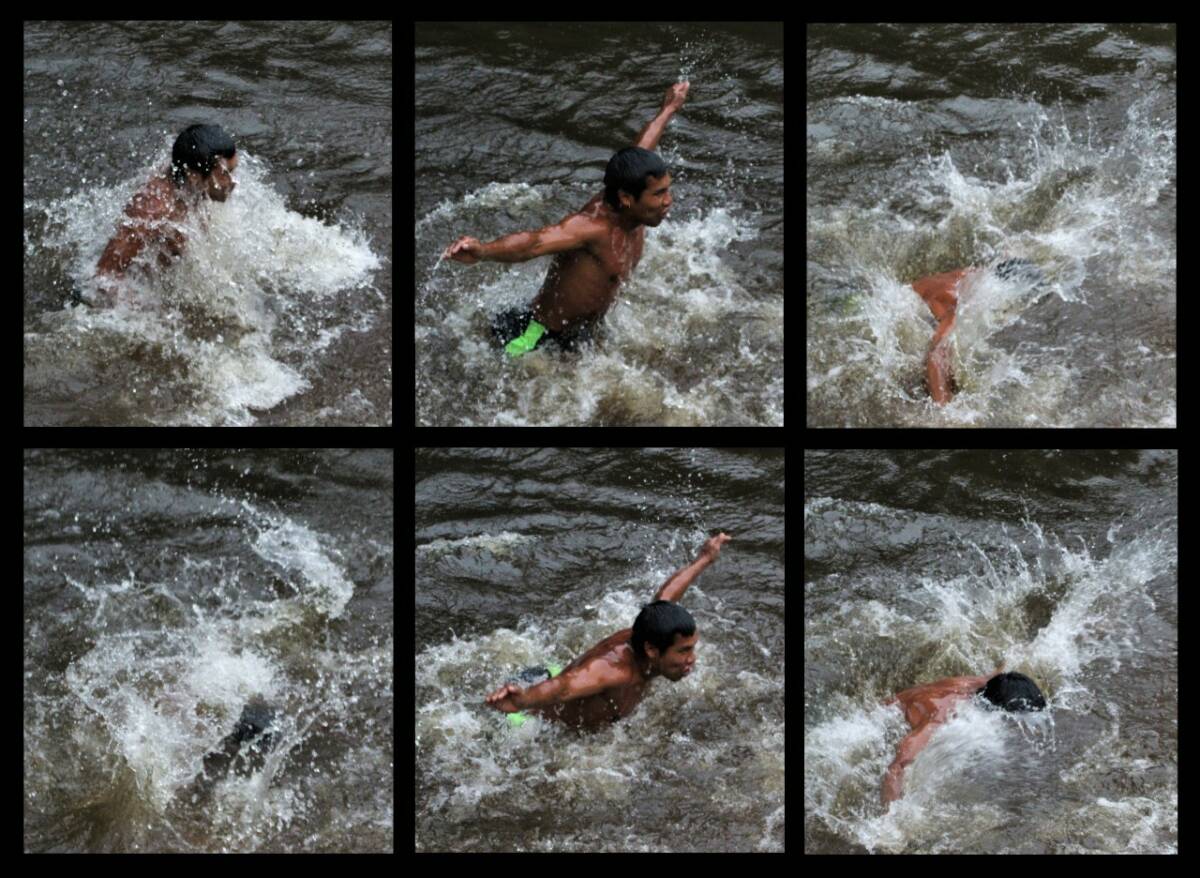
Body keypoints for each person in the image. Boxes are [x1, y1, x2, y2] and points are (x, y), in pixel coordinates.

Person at [443, 82, 689, 357]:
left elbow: (642, 148)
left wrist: (668, 108)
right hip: (536, 338)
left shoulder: (634, 202)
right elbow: (533, 244)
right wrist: (483, 251)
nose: (668, 201)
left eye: (667, 190)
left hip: (583, 331)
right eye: (659, 194)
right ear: (627, 198)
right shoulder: (591, 227)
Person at [483, 532, 730, 730]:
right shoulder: (612, 670)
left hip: (550, 679)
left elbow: (665, 597)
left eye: (692, 648)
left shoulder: (651, 627)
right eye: (684, 651)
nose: (692, 659)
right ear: (652, 650)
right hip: (531, 722)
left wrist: (705, 558)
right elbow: (565, 687)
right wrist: (524, 700)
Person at [89, 123, 239, 306]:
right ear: (193, 175)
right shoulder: (152, 210)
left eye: (233, 171)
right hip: (143, 290)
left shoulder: (192, 184)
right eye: (226, 174)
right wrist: (150, 314)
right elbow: (104, 277)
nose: (234, 183)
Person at [881, 666, 1046, 805]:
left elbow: (1002, 668)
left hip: (909, 698)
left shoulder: (987, 684)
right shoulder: (944, 717)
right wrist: (890, 819)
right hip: (882, 717)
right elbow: (898, 765)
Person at [910, 258, 1044, 404]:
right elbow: (936, 355)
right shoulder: (964, 304)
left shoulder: (976, 275)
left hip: (917, 295)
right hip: (907, 311)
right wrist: (944, 410)